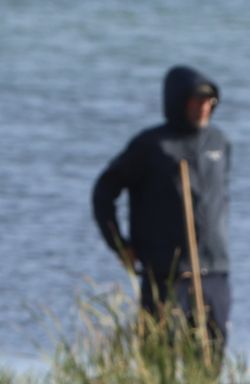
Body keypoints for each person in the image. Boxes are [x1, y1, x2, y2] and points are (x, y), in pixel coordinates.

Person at [92, 65, 233, 356]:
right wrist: (119, 245)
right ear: (178, 101)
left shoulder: (218, 143)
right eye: (196, 100)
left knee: (210, 356)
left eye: (210, 102)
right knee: (159, 357)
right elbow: (104, 192)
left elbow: (222, 199)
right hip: (166, 274)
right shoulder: (151, 146)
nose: (204, 108)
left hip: (214, 272)